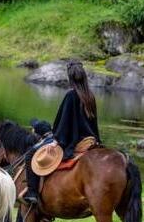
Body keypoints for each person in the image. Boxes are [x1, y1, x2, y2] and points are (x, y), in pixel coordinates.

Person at [23, 61, 101, 204]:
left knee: (29, 155)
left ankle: (32, 193)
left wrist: (57, 140)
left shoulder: (71, 96)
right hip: (90, 140)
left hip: (73, 140)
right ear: (84, 77)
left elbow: (63, 123)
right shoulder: (90, 96)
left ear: (70, 78)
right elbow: (93, 123)